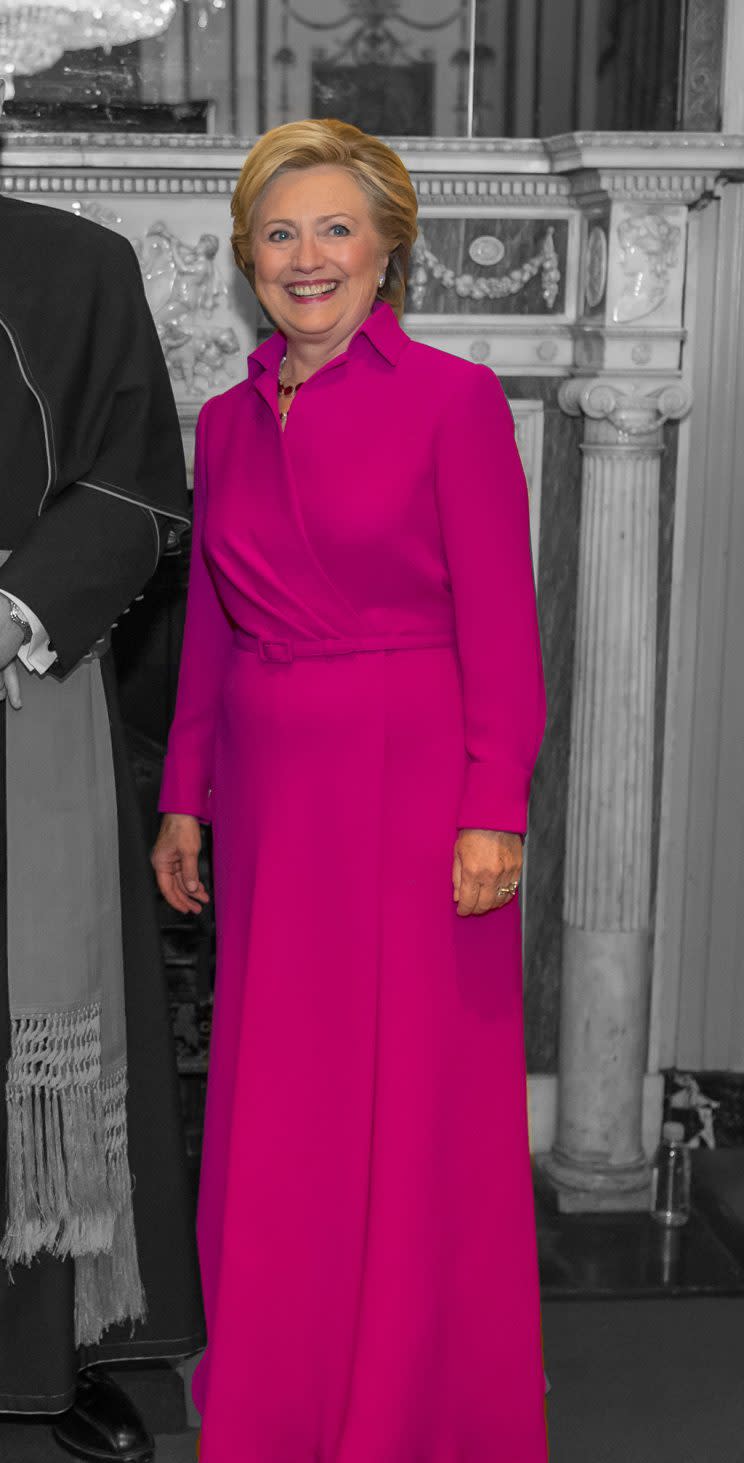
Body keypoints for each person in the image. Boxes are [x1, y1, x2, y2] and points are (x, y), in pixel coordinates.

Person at [153, 117, 548, 1463]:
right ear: (246, 258)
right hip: (270, 789)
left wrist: (496, 801)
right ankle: (281, 1389)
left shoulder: (453, 398)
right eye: (278, 231)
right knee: (282, 1093)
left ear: (388, 246)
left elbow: (505, 621)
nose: (304, 257)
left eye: (333, 228)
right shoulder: (222, 418)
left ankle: (408, 1402)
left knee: (412, 1098)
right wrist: (184, 794)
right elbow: (210, 619)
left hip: (412, 779)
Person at [0, 77, 205, 1463]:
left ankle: (43, 1359)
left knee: (38, 1038)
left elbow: (139, 483)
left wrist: (16, 606)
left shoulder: (76, 266)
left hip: (20, 693)